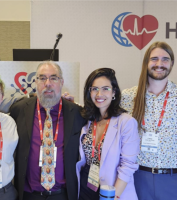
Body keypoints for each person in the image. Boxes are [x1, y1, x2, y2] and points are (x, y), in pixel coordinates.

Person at [9, 61, 86, 200]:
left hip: (63, 194)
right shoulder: (19, 110)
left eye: (53, 78)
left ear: (61, 82)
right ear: (35, 81)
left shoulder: (77, 114)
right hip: (28, 195)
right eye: (42, 78)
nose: (48, 83)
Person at [121, 41, 177, 200]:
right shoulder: (127, 97)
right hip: (137, 178)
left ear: (172, 63)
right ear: (146, 62)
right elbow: (101, 110)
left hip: (172, 180)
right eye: (154, 59)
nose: (160, 64)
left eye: (165, 59)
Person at [76, 68, 140, 200]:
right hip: (85, 184)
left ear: (114, 92)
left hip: (112, 188)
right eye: (95, 89)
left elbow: (127, 166)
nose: (100, 94)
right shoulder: (88, 120)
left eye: (106, 88)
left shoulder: (126, 122)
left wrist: (113, 197)